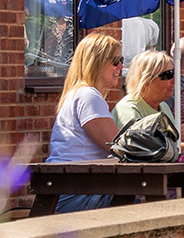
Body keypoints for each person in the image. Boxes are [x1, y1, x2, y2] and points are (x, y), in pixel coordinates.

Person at [49, 33, 124, 212]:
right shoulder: (88, 95)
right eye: (116, 61)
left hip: (67, 188)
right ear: (97, 62)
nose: (121, 66)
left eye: (121, 60)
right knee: (151, 205)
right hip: (77, 194)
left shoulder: (79, 93)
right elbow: (120, 146)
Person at [115, 50, 176, 129]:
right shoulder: (128, 108)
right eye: (169, 74)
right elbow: (135, 139)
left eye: (174, 73)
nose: (174, 80)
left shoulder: (163, 107)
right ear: (147, 81)